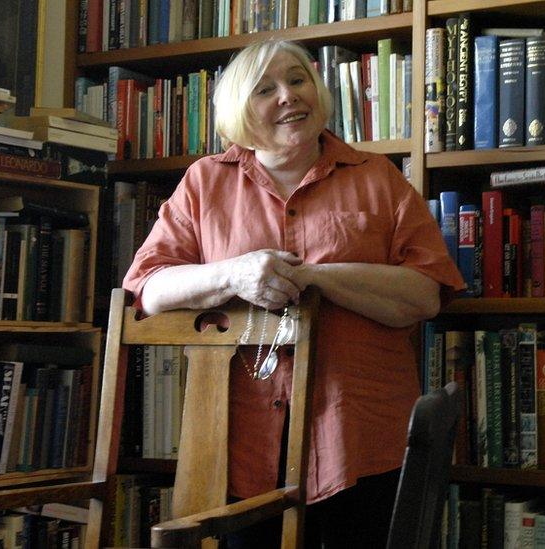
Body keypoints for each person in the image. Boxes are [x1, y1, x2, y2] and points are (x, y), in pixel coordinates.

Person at [121, 39, 465, 547]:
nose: (288, 95)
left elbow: (424, 295)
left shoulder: (378, 178)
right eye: (266, 88)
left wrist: (318, 277)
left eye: (298, 79)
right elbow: (147, 289)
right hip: (243, 439)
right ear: (241, 107)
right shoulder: (204, 182)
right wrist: (232, 274)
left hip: (362, 438)